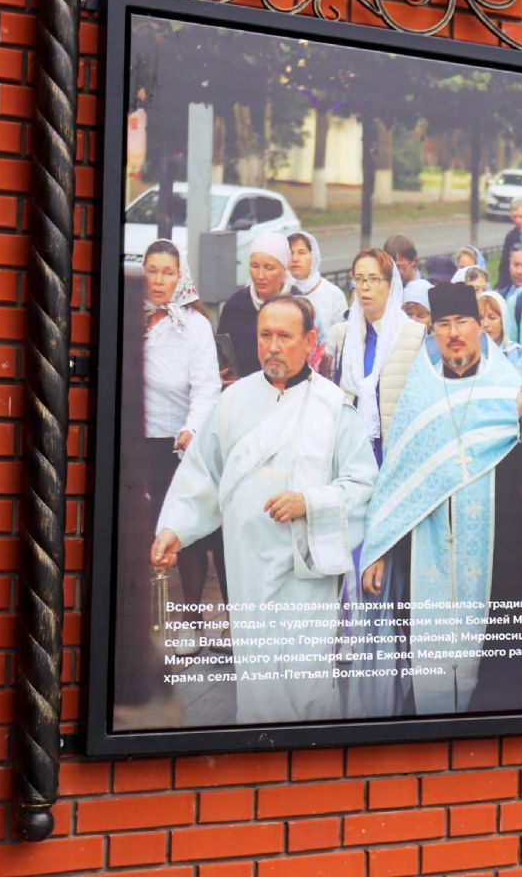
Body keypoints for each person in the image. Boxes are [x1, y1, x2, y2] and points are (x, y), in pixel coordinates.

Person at [150, 294, 377, 724]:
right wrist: (174, 529)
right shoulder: (231, 403)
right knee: (258, 681)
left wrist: (310, 501)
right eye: (265, 335)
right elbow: (203, 474)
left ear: (310, 340)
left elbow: (362, 485)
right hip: (248, 565)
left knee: (306, 682)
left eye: (285, 336)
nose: (273, 346)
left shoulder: (332, 407)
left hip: (305, 573)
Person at [355, 283, 522, 714]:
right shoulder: (419, 393)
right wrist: (378, 549)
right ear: (433, 333)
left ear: (480, 328)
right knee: (430, 665)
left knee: (497, 670)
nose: (454, 334)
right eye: (444, 325)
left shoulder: (508, 387)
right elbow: (398, 480)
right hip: (428, 548)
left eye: (463, 323)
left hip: (500, 546)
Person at [134, 240, 224, 659]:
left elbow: (207, 387)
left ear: (180, 276)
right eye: (152, 270)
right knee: (142, 533)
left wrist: (191, 429)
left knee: (181, 533)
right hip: (138, 439)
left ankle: (190, 623)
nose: (158, 280)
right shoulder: (134, 319)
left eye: (167, 272)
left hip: (178, 442)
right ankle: (143, 623)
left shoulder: (193, 326)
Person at [328, 249, 427, 463]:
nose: (365, 287)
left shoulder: (413, 334)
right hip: (349, 450)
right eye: (359, 279)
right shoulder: (340, 335)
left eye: (374, 279)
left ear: (391, 285)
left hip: (395, 450)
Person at [217, 232, 291, 380]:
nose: (260, 275)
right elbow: (221, 358)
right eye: (254, 266)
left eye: (269, 268)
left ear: (284, 269)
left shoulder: (299, 305)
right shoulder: (235, 305)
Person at [287, 230, 348, 332]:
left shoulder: (334, 295)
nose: (295, 258)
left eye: (301, 252)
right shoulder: (278, 291)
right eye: (290, 253)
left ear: (313, 256)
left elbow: (341, 337)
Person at [497, 198, 522, 290]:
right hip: (512, 283)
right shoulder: (510, 237)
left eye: (520, 216)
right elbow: (504, 264)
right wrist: (501, 286)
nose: (517, 220)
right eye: (514, 217)